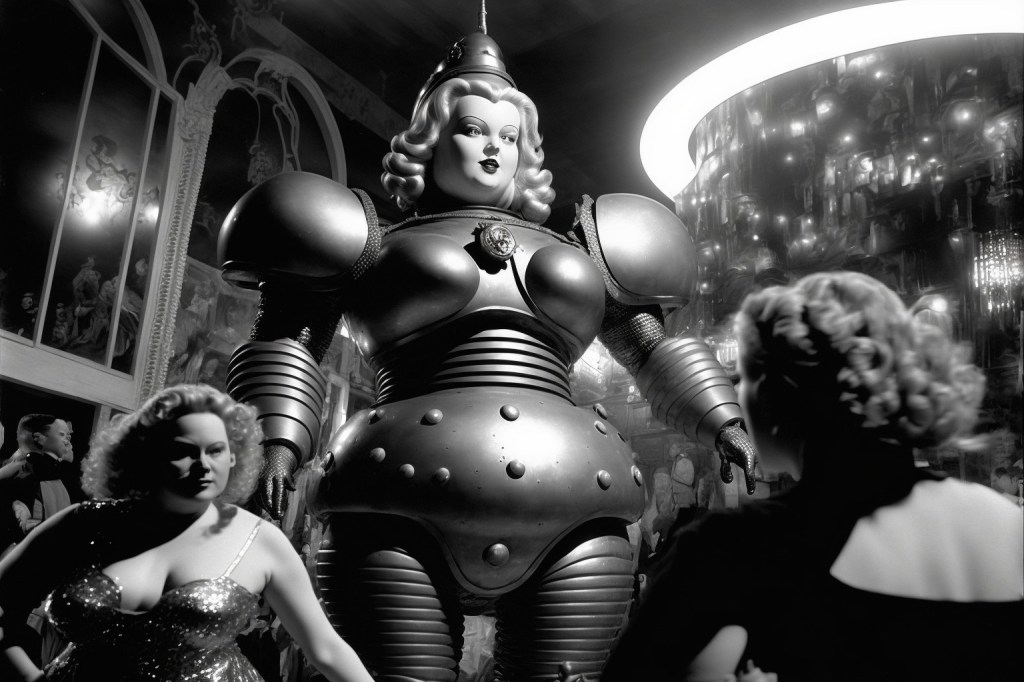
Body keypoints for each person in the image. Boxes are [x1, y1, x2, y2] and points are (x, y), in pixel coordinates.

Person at [216, 14, 757, 681]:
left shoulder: (592, 243)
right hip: (396, 498)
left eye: (509, 136)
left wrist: (722, 420)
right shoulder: (363, 235)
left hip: (576, 506)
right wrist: (276, 444)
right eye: (472, 130)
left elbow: (648, 348)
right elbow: (291, 336)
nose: (493, 148)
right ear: (430, 139)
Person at [602, 271, 1024, 682]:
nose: (739, 395)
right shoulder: (1007, 524)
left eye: (747, 377)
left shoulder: (731, 550)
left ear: (782, 394)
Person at [0, 384, 373, 682]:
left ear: (234, 457)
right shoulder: (83, 523)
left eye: (216, 450)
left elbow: (326, 649)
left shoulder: (261, 540)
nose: (203, 465)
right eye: (184, 451)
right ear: (145, 454)